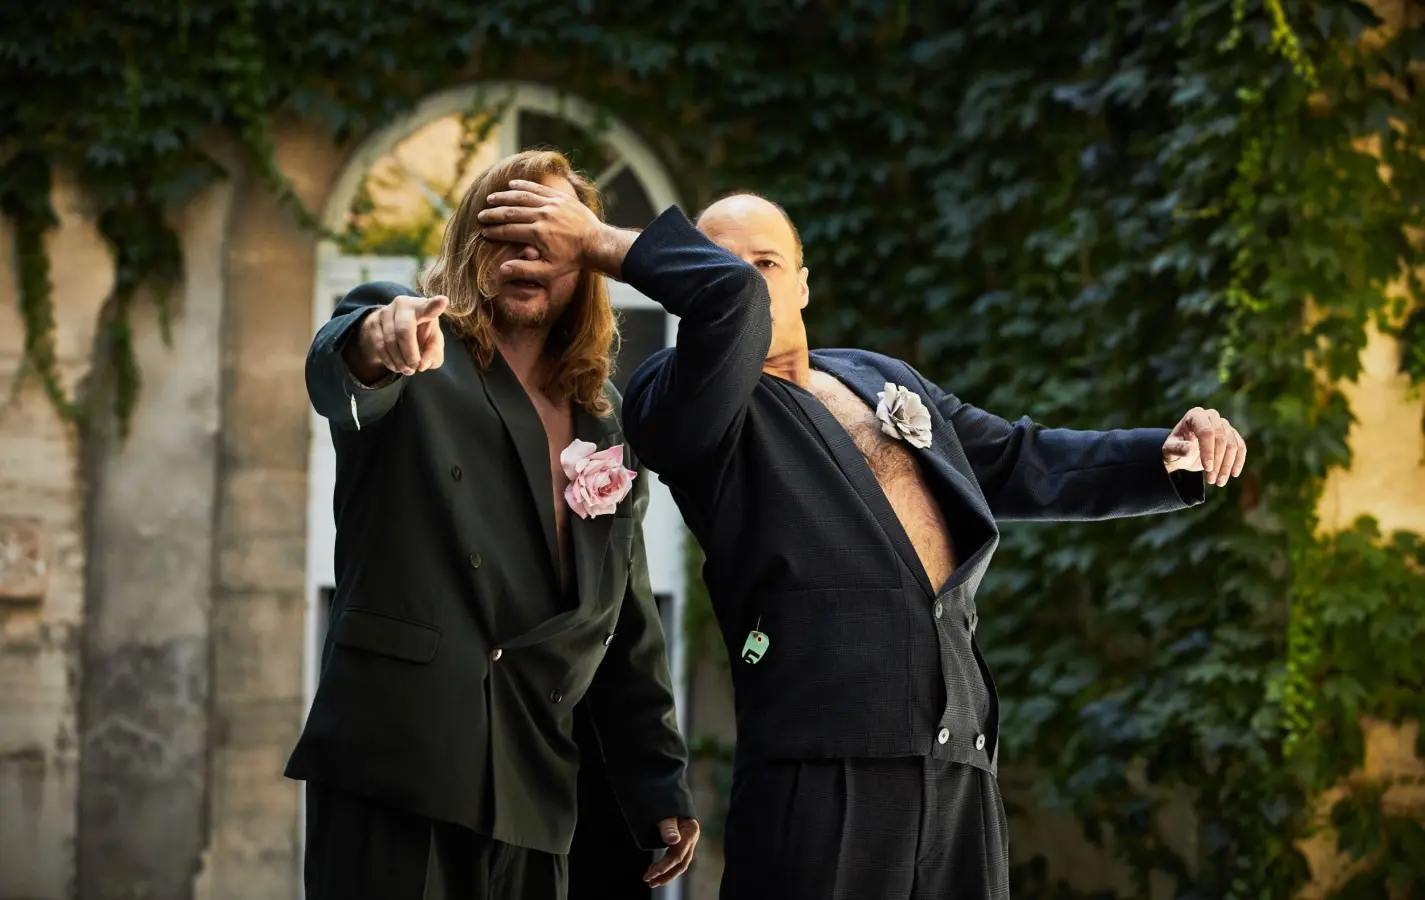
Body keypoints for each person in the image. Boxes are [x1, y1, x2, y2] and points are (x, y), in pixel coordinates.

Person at [473, 187, 1247, 900]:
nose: (744, 281)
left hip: (957, 761)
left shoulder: (876, 377)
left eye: (767, 263)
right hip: (819, 766)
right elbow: (730, 301)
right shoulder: (677, 398)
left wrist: (1160, 457)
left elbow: (1016, 460)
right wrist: (600, 242)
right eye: (717, 264)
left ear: (804, 284)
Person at [285, 149, 699, 900]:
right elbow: (339, 368)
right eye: (504, 231)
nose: (525, 254)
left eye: (552, 236)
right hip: (398, 765)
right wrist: (376, 338)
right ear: (470, 246)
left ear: (586, 258)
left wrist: (657, 779)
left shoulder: (604, 416)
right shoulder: (416, 343)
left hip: (536, 786)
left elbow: (626, 614)